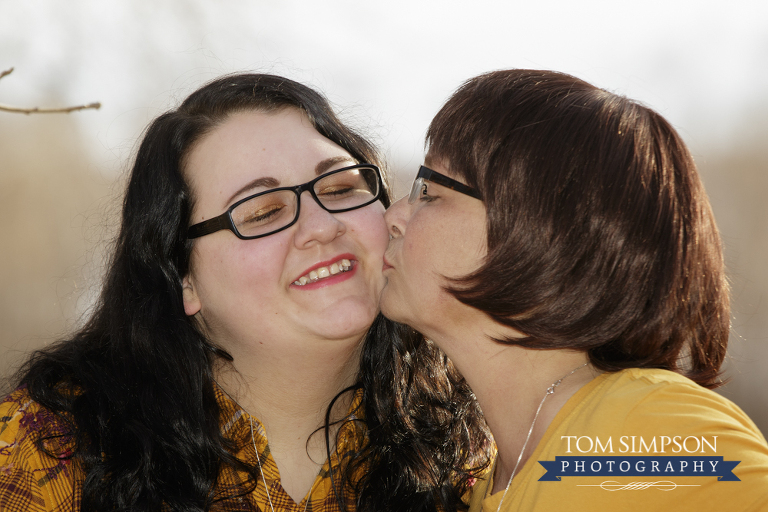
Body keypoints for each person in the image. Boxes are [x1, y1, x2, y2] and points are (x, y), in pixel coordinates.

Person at [0, 73, 491, 512]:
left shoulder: (479, 453)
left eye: (340, 187)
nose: (321, 226)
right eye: (261, 212)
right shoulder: (49, 451)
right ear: (182, 279)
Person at [380, 69, 768, 511]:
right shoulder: (489, 481)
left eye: (428, 189)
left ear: (542, 229)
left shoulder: (646, 441)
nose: (393, 215)